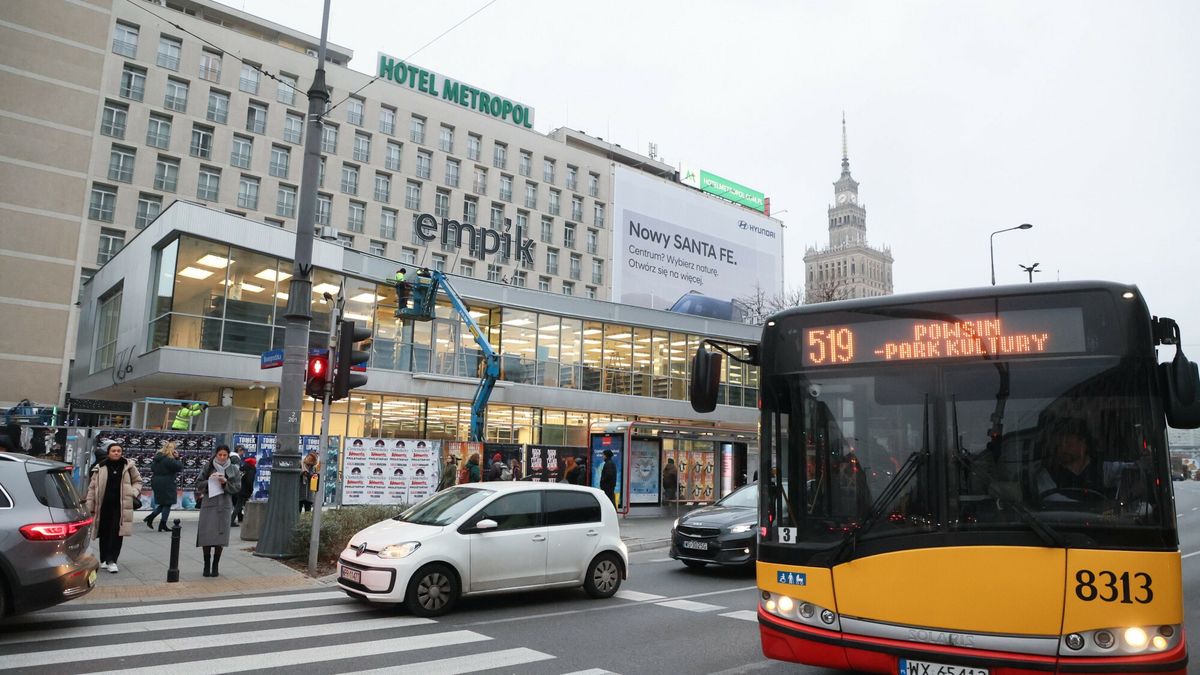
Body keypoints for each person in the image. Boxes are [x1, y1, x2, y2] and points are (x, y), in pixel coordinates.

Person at [85, 442, 143, 573]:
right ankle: (104, 559)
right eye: (113, 451)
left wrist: (132, 493)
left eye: (119, 451)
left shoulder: (128, 466)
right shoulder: (100, 467)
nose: (116, 453)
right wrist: (90, 506)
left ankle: (112, 560)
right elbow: (92, 488)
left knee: (116, 533)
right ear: (108, 453)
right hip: (104, 505)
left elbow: (138, 481)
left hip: (121, 506)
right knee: (104, 532)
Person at [196, 445, 242, 577]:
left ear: (228, 456)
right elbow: (198, 484)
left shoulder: (233, 469)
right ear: (216, 455)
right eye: (220, 455)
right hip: (209, 503)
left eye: (225, 455)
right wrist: (210, 481)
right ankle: (206, 565)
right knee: (206, 535)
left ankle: (215, 565)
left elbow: (237, 488)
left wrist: (225, 483)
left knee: (220, 537)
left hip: (224, 505)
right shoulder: (208, 466)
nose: (222, 457)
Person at [144, 442, 182, 531]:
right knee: (167, 503)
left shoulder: (157, 459)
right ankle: (161, 523)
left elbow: (152, 468)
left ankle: (150, 518)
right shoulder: (169, 459)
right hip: (167, 482)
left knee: (164, 503)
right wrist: (177, 457)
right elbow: (179, 467)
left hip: (156, 481)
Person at [233, 456, 256, 525]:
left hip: (239, 488)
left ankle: (242, 518)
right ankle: (231, 520)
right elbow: (250, 481)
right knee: (239, 506)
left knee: (240, 505)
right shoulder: (251, 469)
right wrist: (251, 490)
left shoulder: (243, 468)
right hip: (244, 490)